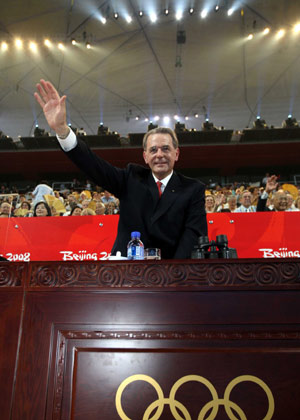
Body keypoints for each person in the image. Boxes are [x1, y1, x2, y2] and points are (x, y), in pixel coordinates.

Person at [34, 79, 207, 259]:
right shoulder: (131, 178)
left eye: (166, 149)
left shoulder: (193, 189)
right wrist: (62, 130)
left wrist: (173, 273)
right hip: (125, 272)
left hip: (172, 274)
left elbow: (193, 235)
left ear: (176, 154)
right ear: (145, 157)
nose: (159, 155)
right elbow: (93, 165)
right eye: (153, 150)